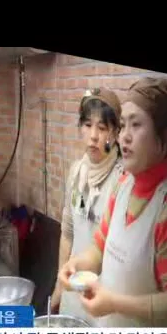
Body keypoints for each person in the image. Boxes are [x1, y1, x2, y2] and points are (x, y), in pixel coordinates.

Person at [57, 77, 167, 331]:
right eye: (123, 125)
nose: (124, 137)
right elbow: (99, 248)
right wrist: (76, 265)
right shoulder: (122, 186)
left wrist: (115, 303)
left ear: (163, 137)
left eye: (136, 125)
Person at [51, 88, 123, 316]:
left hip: (106, 300)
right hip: (73, 292)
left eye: (102, 128)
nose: (93, 135)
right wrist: (59, 285)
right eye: (88, 125)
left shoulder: (123, 180)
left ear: (115, 133)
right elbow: (68, 232)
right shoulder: (76, 172)